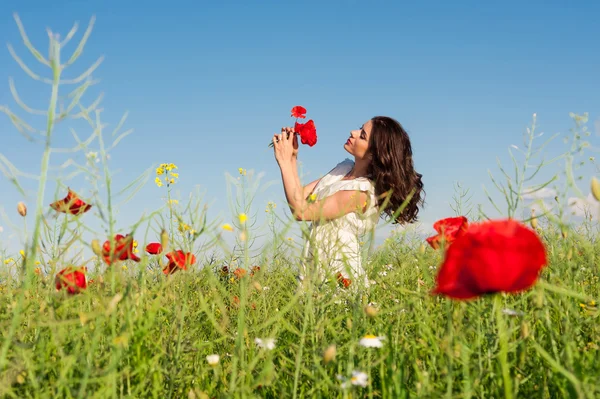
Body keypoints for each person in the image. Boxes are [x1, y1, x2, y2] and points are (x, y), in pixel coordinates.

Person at [272, 116, 424, 290]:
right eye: (360, 128)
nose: (353, 132)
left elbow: (301, 212)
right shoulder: (342, 169)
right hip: (314, 264)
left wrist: (284, 163)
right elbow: (300, 196)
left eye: (363, 135)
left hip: (338, 272)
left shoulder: (362, 193)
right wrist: (291, 157)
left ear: (374, 153)